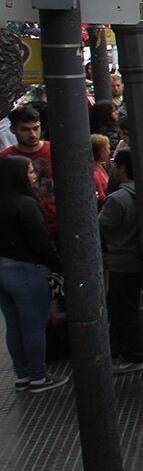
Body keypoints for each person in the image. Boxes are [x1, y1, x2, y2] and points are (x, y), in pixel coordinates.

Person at [0, 155, 64, 392]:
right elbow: (42, 241)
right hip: (27, 269)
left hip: (3, 268)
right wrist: (58, 266)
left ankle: (22, 375)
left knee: (14, 325)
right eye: (30, 172)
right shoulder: (26, 204)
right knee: (33, 325)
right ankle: (38, 376)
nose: (34, 176)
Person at [99, 148, 143, 371]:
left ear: (123, 168)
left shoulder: (117, 199)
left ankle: (132, 354)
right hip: (139, 260)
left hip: (121, 261)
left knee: (123, 309)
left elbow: (99, 227)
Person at [0, 106, 57, 234]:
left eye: (36, 128)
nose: (32, 134)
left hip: (60, 223)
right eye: (25, 130)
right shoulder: (5, 159)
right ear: (13, 130)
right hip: (25, 227)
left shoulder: (56, 150)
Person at [90, 133, 111, 205]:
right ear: (102, 151)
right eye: (108, 149)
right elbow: (101, 198)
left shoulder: (99, 166)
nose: (109, 152)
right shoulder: (94, 172)